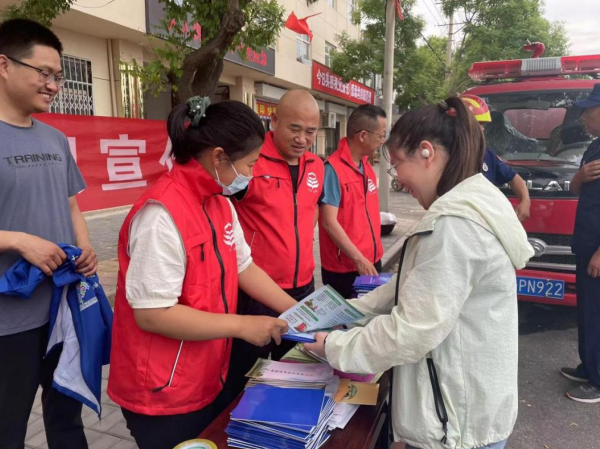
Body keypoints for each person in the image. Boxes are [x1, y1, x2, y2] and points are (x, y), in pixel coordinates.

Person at [305, 97, 534, 449]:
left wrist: (335, 346)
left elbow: (413, 329)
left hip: (457, 425)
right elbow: (410, 285)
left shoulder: (454, 225)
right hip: (464, 407)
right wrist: (348, 311)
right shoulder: (470, 203)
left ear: (427, 152)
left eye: (397, 163)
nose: (398, 178)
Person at [107, 98, 296, 449]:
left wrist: (298, 312)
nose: (252, 174)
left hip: (205, 374)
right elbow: (153, 314)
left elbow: (244, 266)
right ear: (219, 157)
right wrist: (242, 325)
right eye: (250, 164)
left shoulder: (219, 201)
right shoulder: (160, 215)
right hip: (162, 391)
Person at [0, 19, 97, 449]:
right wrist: (18, 240)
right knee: (8, 428)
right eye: (43, 73)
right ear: (4, 65)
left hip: (61, 309)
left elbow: (71, 203)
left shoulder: (56, 139)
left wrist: (86, 245)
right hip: (8, 322)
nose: (54, 85)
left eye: (58, 76)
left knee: (67, 420)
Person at [221, 90, 324, 400]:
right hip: (256, 291)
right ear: (274, 120)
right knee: (245, 374)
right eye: (295, 128)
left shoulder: (316, 166)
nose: (302, 139)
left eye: (310, 131)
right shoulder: (249, 162)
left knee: (295, 369)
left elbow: (310, 211)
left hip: (303, 287)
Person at [319, 105, 387, 299]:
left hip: (371, 260)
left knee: (369, 314)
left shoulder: (366, 166)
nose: (383, 140)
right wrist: (358, 259)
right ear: (363, 135)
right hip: (345, 268)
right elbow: (329, 222)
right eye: (381, 135)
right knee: (347, 317)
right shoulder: (332, 170)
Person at [561, 83, 600, 403]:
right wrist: (580, 176)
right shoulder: (594, 147)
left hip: (598, 251)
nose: (584, 117)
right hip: (585, 243)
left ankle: (598, 381)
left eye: (589, 110)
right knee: (587, 312)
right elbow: (576, 189)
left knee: (597, 313)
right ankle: (588, 366)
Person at [460, 94, 531, 222]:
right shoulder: (442, 157)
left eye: (483, 125)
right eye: (478, 124)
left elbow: (514, 178)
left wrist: (525, 201)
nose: (482, 129)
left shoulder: (487, 155)